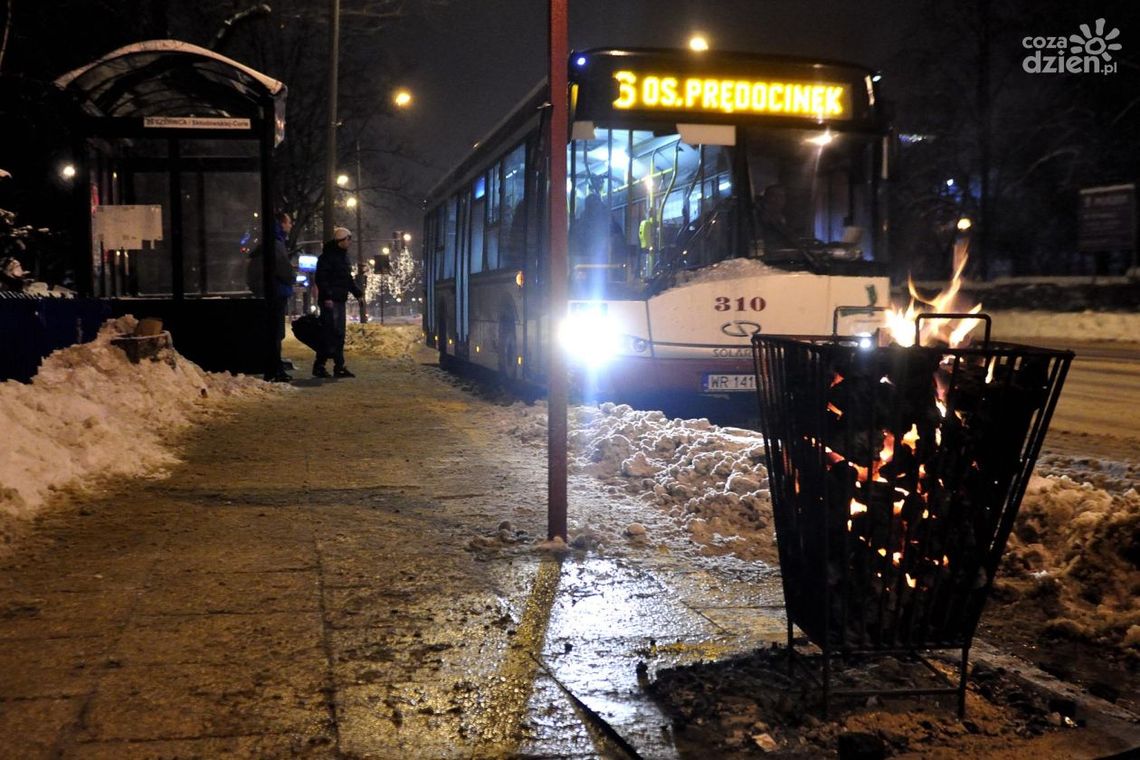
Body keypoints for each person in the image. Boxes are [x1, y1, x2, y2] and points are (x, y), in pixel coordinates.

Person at [249, 212, 295, 382]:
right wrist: (292, 276)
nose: (290, 225)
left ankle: (274, 367)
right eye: (289, 222)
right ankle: (275, 369)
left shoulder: (269, 242)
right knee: (276, 333)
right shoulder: (276, 244)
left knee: (273, 332)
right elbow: (284, 269)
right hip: (278, 292)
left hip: (271, 292)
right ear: (282, 224)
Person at [313, 226, 362, 378]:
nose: (350, 242)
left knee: (337, 333)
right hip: (332, 301)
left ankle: (336, 365)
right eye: (349, 239)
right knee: (330, 333)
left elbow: (347, 279)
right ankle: (322, 365)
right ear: (342, 240)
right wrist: (327, 297)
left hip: (338, 299)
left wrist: (358, 293)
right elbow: (322, 278)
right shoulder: (329, 257)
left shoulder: (339, 257)